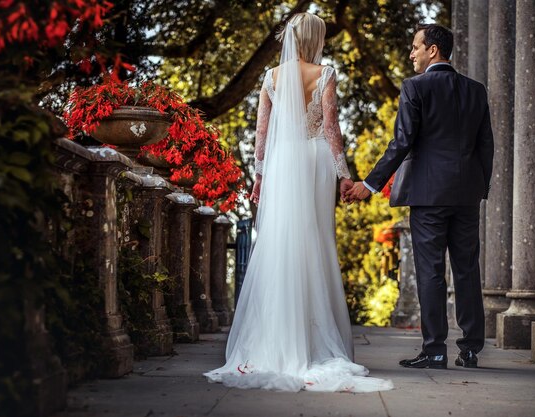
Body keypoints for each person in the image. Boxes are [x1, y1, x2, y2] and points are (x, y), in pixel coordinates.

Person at [203, 12, 393, 392]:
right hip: (316, 160)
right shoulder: (324, 73)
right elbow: (330, 126)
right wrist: (343, 174)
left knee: (279, 241)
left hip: (282, 162)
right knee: (315, 240)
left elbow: (261, 132)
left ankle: (275, 339)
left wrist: (260, 175)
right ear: (315, 38)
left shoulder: (271, 77)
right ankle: (314, 340)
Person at [345, 24, 494, 369]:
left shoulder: (415, 87)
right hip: (466, 196)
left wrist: (368, 185)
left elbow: (402, 142)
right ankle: (470, 349)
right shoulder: (476, 90)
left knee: (430, 271)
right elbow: (486, 145)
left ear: (433, 50)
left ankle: (435, 349)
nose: (411, 53)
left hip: (428, 196)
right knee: (467, 270)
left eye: (415, 47)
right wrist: (479, 187)